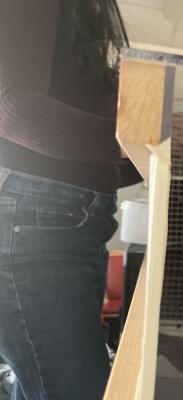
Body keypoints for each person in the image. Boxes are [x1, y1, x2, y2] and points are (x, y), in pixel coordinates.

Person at [0, 1, 140, 399]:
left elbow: (95, 163)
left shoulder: (86, 19)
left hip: (62, 222)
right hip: (37, 221)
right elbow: (12, 108)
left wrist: (159, 158)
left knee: (46, 384)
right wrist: (135, 142)